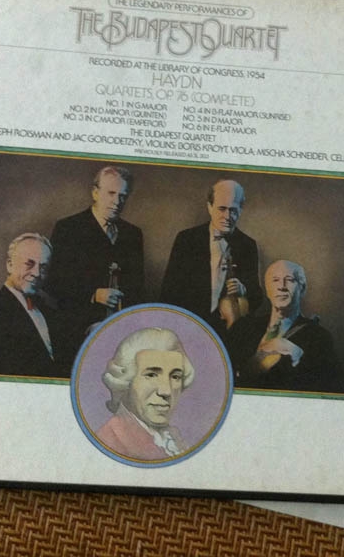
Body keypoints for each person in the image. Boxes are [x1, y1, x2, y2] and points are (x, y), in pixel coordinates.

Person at [0, 233, 75, 378]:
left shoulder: (51, 314)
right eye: (29, 264)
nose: (36, 273)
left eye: (43, 267)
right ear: (10, 265)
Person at [47, 165, 144, 335]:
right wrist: (93, 294)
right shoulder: (68, 228)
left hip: (120, 329)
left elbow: (137, 289)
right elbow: (52, 281)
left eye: (122, 196)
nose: (117, 202)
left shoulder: (133, 234)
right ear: (95, 193)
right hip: (76, 330)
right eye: (111, 193)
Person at [220, 259, 341, 393]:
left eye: (289, 280)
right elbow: (219, 375)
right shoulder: (243, 327)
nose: (281, 286)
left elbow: (327, 388)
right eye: (275, 280)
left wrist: (300, 358)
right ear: (267, 290)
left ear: (302, 289)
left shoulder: (319, 337)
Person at [160, 179, 262, 331]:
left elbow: (257, 298)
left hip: (228, 330)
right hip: (189, 325)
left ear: (241, 209)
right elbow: (169, 291)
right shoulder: (187, 239)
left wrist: (244, 291)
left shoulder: (247, 245)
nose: (227, 216)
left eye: (233, 210)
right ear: (210, 207)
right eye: (222, 209)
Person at [96, 327, 195, 461]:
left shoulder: (171, 437)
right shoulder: (111, 440)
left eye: (175, 376)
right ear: (124, 382)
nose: (166, 391)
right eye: (151, 375)